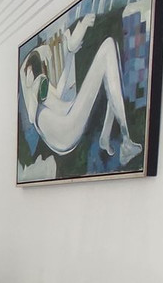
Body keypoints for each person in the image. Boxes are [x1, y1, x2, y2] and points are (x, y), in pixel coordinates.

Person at [19, 14, 142, 169]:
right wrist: (33, 84)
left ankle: (107, 134)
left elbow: (58, 93)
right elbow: (31, 116)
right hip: (65, 130)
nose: (47, 64)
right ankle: (125, 139)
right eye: (45, 60)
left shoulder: (41, 82)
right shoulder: (33, 83)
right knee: (108, 48)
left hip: (64, 129)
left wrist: (70, 52)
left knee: (110, 59)